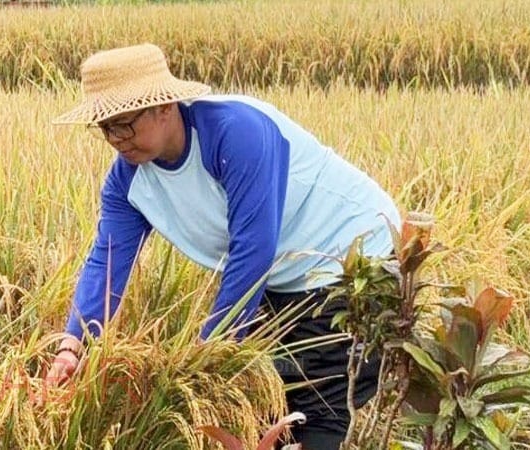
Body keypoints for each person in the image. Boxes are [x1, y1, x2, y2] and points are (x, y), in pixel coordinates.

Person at [45, 43, 401, 449]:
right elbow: (107, 262)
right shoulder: (127, 181)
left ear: (164, 106)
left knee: (318, 407)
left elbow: (253, 250)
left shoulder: (235, 132)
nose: (116, 140)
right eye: (105, 128)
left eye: (124, 124)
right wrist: (73, 346)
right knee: (266, 407)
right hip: (281, 277)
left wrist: (209, 354)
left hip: (353, 260)